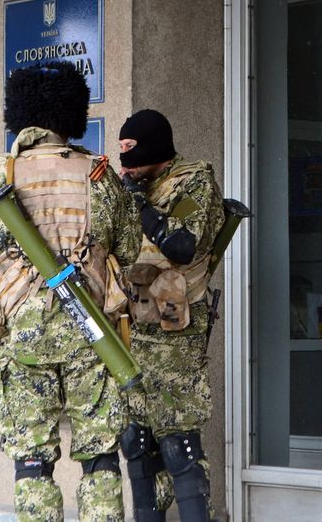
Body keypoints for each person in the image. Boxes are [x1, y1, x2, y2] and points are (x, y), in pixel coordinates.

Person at [0, 62, 139, 522]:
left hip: (24, 341)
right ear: (72, 112)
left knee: (32, 465)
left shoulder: (3, 175)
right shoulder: (98, 174)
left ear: (21, 112)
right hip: (93, 338)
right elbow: (130, 247)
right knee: (100, 461)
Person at [117, 109, 225, 522]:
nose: (126, 164)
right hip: (133, 327)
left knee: (178, 442)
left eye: (133, 153)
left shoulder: (193, 181)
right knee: (137, 440)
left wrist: (140, 205)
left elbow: (182, 246)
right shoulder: (132, 183)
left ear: (156, 151)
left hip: (175, 332)